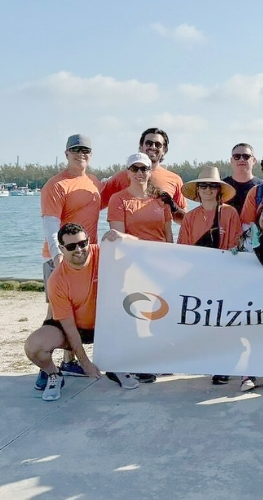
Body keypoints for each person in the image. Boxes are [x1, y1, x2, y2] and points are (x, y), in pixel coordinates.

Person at [24, 224, 139, 401]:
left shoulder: (103, 253)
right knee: (34, 346)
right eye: (71, 247)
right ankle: (54, 374)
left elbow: (139, 249)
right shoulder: (57, 280)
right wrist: (85, 362)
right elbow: (69, 327)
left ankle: (115, 367)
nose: (79, 249)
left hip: (103, 324)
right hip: (72, 327)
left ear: (88, 241)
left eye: (82, 243)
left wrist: (123, 237)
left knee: (141, 317)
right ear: (62, 249)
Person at [40, 134, 104, 379]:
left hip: (86, 257)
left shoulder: (94, 183)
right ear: (66, 153)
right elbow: (50, 223)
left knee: (77, 310)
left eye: (85, 149)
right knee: (54, 314)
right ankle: (45, 369)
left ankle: (69, 361)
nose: (81, 154)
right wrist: (58, 258)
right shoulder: (56, 185)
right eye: (75, 149)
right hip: (61, 257)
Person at [107, 153, 173, 384]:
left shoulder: (161, 200)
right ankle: (129, 362)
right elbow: (118, 235)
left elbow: (167, 235)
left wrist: (170, 262)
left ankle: (150, 361)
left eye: (143, 168)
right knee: (133, 313)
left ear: (149, 171)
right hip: (130, 265)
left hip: (158, 267)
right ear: (127, 172)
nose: (139, 173)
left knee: (156, 314)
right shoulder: (118, 199)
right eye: (134, 168)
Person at [178, 166, 241, 385]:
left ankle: (225, 366)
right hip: (198, 277)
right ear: (197, 190)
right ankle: (213, 363)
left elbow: (236, 244)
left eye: (212, 186)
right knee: (206, 322)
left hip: (225, 278)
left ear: (219, 190)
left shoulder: (230, 213)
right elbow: (183, 249)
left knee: (224, 322)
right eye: (203, 185)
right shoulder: (190, 217)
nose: (207, 189)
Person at [101, 128, 187, 224]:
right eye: (148, 143)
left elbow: (184, 221)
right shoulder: (121, 177)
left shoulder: (175, 180)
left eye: (158, 145)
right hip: (127, 238)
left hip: (159, 238)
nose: (153, 147)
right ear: (141, 147)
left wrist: (172, 206)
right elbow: (95, 205)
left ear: (164, 150)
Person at [222, 143, 262, 215]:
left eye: (246, 156)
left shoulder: (262, 187)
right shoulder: (222, 186)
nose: (241, 159)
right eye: (237, 156)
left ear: (254, 160)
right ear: (231, 160)